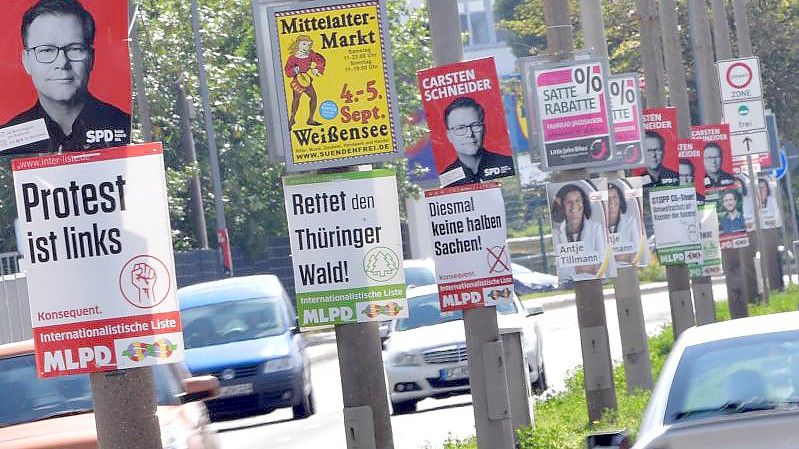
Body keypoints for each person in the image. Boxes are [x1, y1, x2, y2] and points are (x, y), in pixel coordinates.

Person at [1, 0, 130, 155]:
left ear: (91, 59)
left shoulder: (125, 126)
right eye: (47, 50)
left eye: (75, 49)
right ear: (26, 61)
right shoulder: (6, 140)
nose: (62, 63)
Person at [440, 97, 515, 186]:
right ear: (449, 136)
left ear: (484, 128)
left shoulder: (508, 164)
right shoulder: (446, 180)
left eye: (475, 125)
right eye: (460, 128)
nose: (469, 134)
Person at [552, 183, 607, 281]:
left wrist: (573, 268)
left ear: (584, 203)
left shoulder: (596, 228)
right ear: (562, 206)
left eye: (578, 200)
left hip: (595, 282)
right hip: (568, 285)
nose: (574, 206)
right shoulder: (556, 233)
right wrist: (585, 268)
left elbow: (602, 266)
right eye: (569, 202)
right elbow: (561, 271)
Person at [284, 34, 325, 128]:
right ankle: (292, 119)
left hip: (306, 81)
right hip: (297, 81)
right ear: (298, 44)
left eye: (308, 45)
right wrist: (295, 70)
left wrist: (317, 69)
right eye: (304, 44)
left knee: (314, 97)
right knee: (296, 99)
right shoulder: (293, 58)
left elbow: (320, 60)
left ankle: (310, 119)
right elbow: (287, 71)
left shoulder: (310, 54)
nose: (306, 47)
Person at [607, 181, 643, 265]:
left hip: (628, 269)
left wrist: (611, 257)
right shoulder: (597, 226)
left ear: (620, 199)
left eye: (614, 197)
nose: (612, 202)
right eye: (608, 198)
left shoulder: (631, 222)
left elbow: (637, 255)